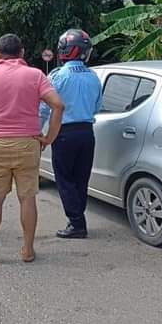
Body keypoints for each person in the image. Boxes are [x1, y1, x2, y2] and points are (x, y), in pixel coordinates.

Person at [0, 34, 64, 265]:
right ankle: (28, 250)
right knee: (27, 197)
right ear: (22, 52)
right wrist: (49, 138)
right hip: (28, 143)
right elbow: (58, 105)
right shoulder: (35, 75)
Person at [40, 29, 102, 239]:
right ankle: (77, 218)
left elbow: (44, 109)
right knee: (81, 178)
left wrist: (40, 133)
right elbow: (97, 106)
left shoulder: (57, 76)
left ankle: (76, 223)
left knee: (65, 179)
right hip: (87, 133)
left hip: (64, 133)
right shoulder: (94, 77)